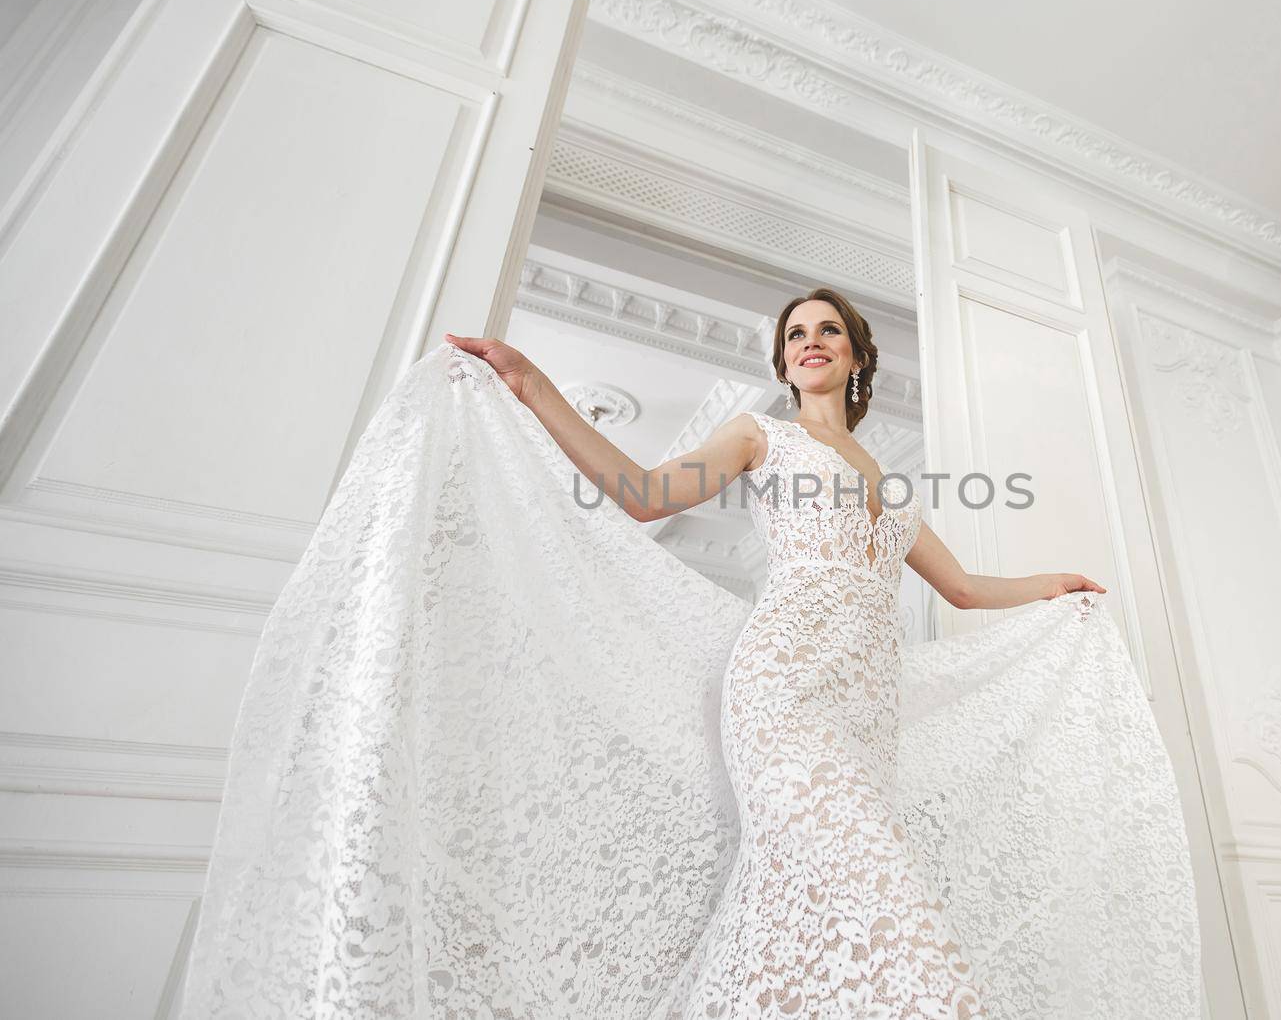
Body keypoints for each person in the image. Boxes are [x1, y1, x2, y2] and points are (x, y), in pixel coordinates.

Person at [179, 287, 1203, 1019]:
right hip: (783, 696)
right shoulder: (764, 440)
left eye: (828, 331)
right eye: (794, 333)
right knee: (892, 908)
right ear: (781, 361)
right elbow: (640, 494)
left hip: (866, 720)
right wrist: (533, 383)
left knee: (803, 907)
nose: (809, 342)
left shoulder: (894, 490)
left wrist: (1059, 583)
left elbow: (968, 587)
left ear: (858, 360)